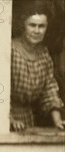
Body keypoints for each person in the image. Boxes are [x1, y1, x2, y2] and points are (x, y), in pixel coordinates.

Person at [11, 2, 64, 131]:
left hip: (28, 119)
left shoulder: (44, 54)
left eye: (41, 26)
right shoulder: (10, 50)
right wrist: (11, 119)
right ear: (23, 25)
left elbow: (49, 90)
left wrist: (57, 121)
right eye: (32, 25)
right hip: (5, 118)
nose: (37, 30)